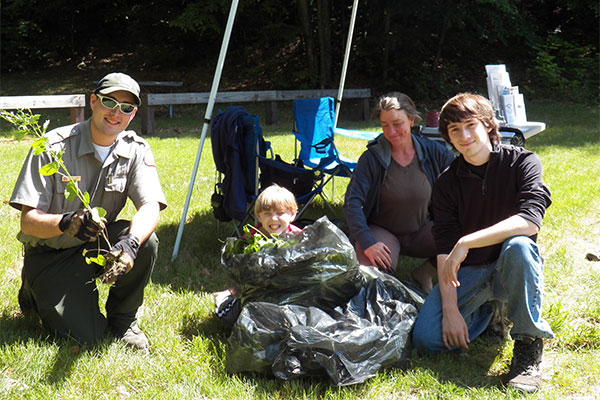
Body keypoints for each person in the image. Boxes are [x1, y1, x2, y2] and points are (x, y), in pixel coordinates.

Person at [10, 72, 167, 352]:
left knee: (146, 242)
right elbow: (28, 221)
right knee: (88, 339)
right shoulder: (51, 147)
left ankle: (124, 321)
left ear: (133, 114)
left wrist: (129, 245)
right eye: (109, 102)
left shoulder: (136, 149)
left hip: (97, 244)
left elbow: (150, 206)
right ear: (93, 101)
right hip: (51, 255)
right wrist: (66, 223)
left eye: (126, 108)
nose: (116, 113)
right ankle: (33, 293)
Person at [411, 93, 553, 393]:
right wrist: (450, 312)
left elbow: (529, 220)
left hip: (512, 266)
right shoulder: (447, 183)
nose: (464, 136)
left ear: (488, 125)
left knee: (520, 246)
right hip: (471, 273)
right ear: (447, 138)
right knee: (428, 340)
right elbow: (444, 250)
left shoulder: (522, 162)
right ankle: (489, 314)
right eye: (454, 130)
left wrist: (467, 241)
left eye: (470, 125)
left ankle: (528, 345)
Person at [343, 92, 454, 294]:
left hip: (423, 230)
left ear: (411, 120)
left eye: (397, 123)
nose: (391, 131)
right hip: (382, 232)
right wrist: (367, 242)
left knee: (467, 236)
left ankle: (426, 272)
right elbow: (352, 203)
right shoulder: (372, 158)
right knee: (369, 281)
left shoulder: (433, 152)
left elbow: (461, 180)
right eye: (385, 125)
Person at [213, 184, 301, 322]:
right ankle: (224, 298)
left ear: (292, 214)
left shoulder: (298, 236)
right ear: (259, 217)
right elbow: (240, 272)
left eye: (280, 213)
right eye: (267, 214)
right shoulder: (252, 238)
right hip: (256, 293)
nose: (273, 219)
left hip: (288, 292)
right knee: (230, 317)